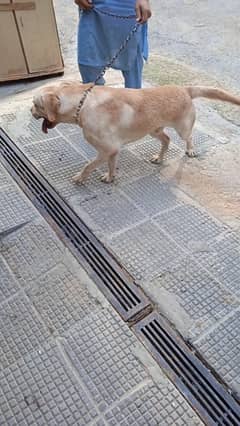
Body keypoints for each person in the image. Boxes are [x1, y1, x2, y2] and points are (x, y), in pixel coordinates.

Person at [74, 0, 151, 88]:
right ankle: (96, 99)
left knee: (132, 62)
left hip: (128, 7)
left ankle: (133, 100)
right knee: (89, 63)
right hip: (93, 6)